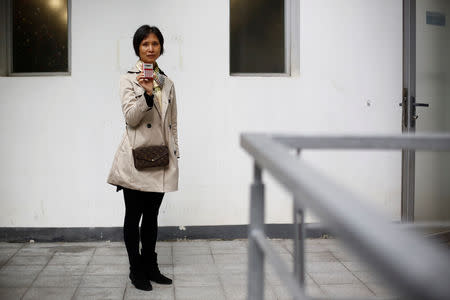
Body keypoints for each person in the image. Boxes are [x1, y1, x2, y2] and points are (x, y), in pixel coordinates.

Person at [107, 25, 179, 291]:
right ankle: (135, 269)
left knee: (152, 216)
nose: (150, 48)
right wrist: (147, 93)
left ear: (161, 47)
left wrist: (175, 154)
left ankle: (151, 265)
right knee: (133, 215)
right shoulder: (128, 79)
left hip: (160, 157)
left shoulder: (168, 82)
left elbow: (172, 123)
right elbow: (131, 118)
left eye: (155, 44)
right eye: (145, 44)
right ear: (137, 47)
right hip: (136, 158)